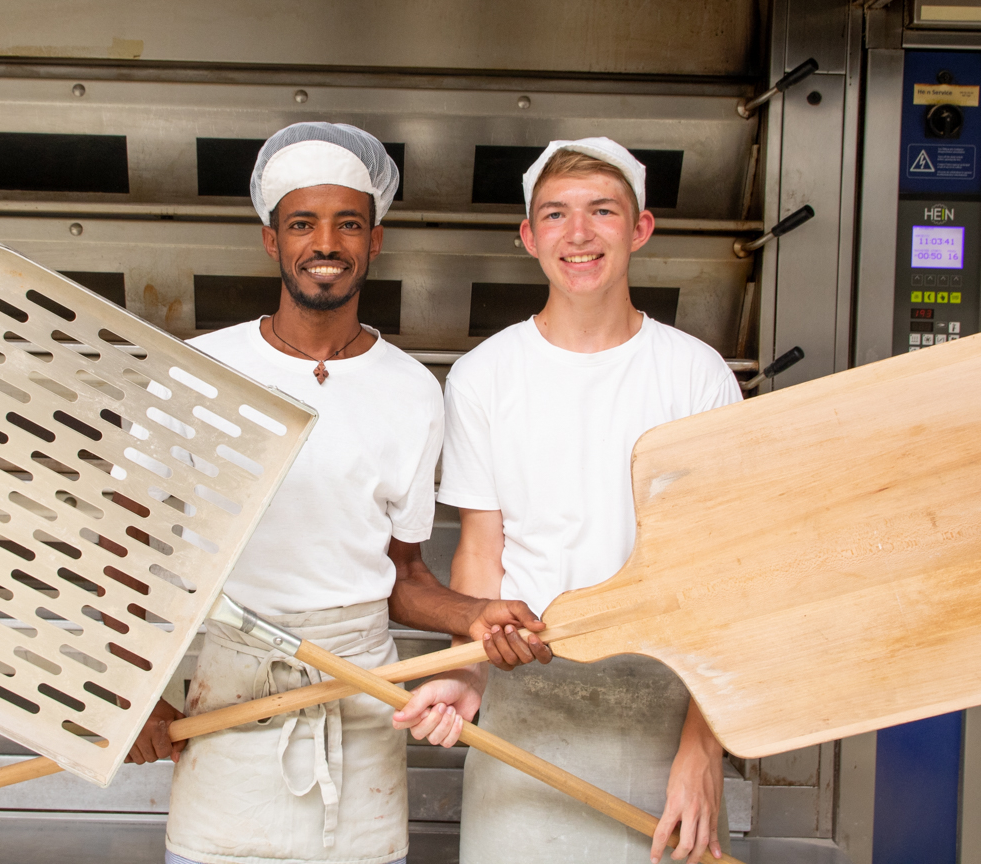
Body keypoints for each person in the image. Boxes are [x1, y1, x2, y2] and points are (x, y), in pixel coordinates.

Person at [124, 122, 545, 864]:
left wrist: (478, 615)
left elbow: (401, 578)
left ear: (374, 241)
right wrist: (128, 695)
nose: (326, 243)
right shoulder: (199, 370)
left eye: (348, 223)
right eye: (303, 224)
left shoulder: (413, 391)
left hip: (361, 699)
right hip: (228, 694)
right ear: (271, 241)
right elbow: (123, 547)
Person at [392, 138, 742, 864]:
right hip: (525, 710)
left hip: (667, 712)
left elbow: (723, 580)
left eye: (601, 211)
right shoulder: (485, 376)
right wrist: (464, 670)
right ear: (528, 237)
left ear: (640, 228)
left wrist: (704, 753)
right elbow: (482, 554)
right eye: (554, 215)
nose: (578, 234)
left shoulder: (697, 376)